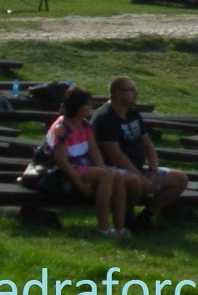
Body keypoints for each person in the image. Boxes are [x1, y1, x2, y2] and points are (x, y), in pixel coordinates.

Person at [32, 85, 128, 236]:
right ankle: (103, 227)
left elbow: (94, 150)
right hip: (60, 172)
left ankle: (120, 227)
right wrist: (80, 184)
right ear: (77, 106)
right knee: (107, 176)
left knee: (118, 176)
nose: (91, 107)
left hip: (81, 166)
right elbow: (63, 162)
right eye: (87, 104)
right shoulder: (61, 129)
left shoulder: (85, 125)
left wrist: (103, 167)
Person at [94, 75, 188, 227]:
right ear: (118, 93)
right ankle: (127, 217)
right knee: (134, 182)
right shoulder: (105, 117)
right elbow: (116, 156)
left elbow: (149, 146)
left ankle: (145, 217)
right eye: (132, 90)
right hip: (115, 172)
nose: (136, 94)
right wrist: (141, 178)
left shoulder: (133, 113)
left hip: (139, 170)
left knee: (179, 178)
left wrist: (152, 172)